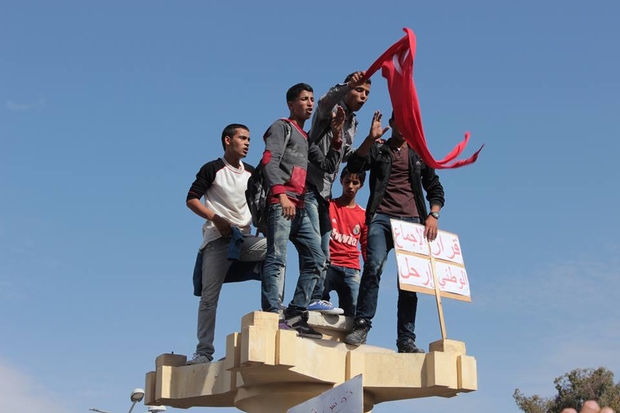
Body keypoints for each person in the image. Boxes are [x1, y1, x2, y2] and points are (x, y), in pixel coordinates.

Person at [343, 112, 445, 353]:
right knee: (373, 266)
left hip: (412, 223)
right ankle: (362, 324)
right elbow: (354, 167)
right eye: (400, 121)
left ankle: (406, 339)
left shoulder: (419, 153)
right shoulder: (380, 149)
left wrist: (433, 214)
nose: (404, 126)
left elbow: (435, 187)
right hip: (381, 217)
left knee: (409, 282)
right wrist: (370, 139)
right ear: (392, 123)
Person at [260, 83, 343, 339]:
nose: (309, 104)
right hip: (282, 203)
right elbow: (269, 161)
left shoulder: (306, 138)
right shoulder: (281, 127)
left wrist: (337, 136)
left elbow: (328, 165)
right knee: (277, 258)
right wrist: (281, 194)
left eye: (312, 99)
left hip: (301, 206)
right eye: (304, 99)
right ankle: (273, 315)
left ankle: (296, 314)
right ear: (291, 104)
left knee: (316, 260)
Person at [185, 124, 267, 365]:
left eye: (249, 139)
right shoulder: (213, 168)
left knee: (275, 250)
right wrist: (215, 218)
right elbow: (191, 199)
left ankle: (275, 311)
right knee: (209, 298)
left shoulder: (251, 172)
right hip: (217, 241)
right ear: (228, 140)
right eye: (242, 138)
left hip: (245, 240)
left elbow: (260, 201)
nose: (247, 143)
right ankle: (203, 352)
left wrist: (262, 224)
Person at [304, 71, 377, 314]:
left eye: (367, 93)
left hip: (324, 193)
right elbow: (323, 104)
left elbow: (346, 157)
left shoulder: (353, 123)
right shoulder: (333, 109)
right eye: (359, 90)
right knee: (316, 249)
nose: (363, 96)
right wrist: (347, 86)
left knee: (321, 250)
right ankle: (308, 300)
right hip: (308, 186)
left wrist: (370, 141)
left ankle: (312, 300)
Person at [321, 167, 368, 317]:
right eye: (347, 182)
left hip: (352, 269)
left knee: (352, 315)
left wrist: (369, 270)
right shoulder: (329, 206)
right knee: (319, 304)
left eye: (355, 183)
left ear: (361, 185)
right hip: (329, 265)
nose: (350, 186)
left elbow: (365, 245)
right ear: (341, 181)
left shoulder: (363, 215)